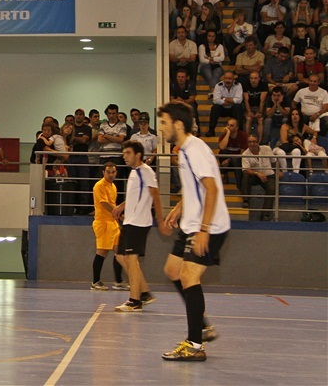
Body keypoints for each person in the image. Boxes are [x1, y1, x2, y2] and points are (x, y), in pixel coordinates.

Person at [157, 102, 230, 361]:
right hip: (191, 224)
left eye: (164, 122)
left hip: (209, 226)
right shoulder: (184, 150)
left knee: (189, 276)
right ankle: (203, 325)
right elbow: (196, 188)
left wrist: (204, 230)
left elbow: (212, 190)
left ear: (178, 124)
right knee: (173, 271)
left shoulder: (195, 150)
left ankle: (195, 345)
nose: (161, 128)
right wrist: (179, 205)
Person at [111, 141, 164, 311]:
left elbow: (155, 195)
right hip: (129, 221)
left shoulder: (146, 171)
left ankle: (134, 301)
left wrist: (161, 220)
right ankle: (144, 293)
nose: (124, 156)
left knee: (131, 258)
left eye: (127, 152)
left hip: (139, 222)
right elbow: (136, 194)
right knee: (120, 255)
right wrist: (122, 206)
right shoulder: (134, 173)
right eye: (123, 152)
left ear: (138, 155)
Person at [89, 162, 127, 291]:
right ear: (103, 173)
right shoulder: (99, 186)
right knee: (102, 252)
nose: (111, 174)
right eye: (108, 172)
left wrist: (117, 217)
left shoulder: (113, 186)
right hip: (103, 222)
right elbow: (104, 204)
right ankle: (95, 281)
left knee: (119, 251)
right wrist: (120, 215)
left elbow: (113, 204)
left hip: (113, 223)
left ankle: (118, 281)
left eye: (113, 172)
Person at [241, 135, 279, 221]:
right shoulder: (245, 154)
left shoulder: (267, 149)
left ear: (258, 142)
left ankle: (265, 215)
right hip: (254, 176)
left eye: (254, 141)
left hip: (268, 175)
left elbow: (274, 162)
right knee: (245, 176)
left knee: (272, 188)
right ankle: (246, 201)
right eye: (249, 142)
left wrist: (278, 171)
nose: (252, 144)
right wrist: (257, 173)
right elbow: (245, 169)